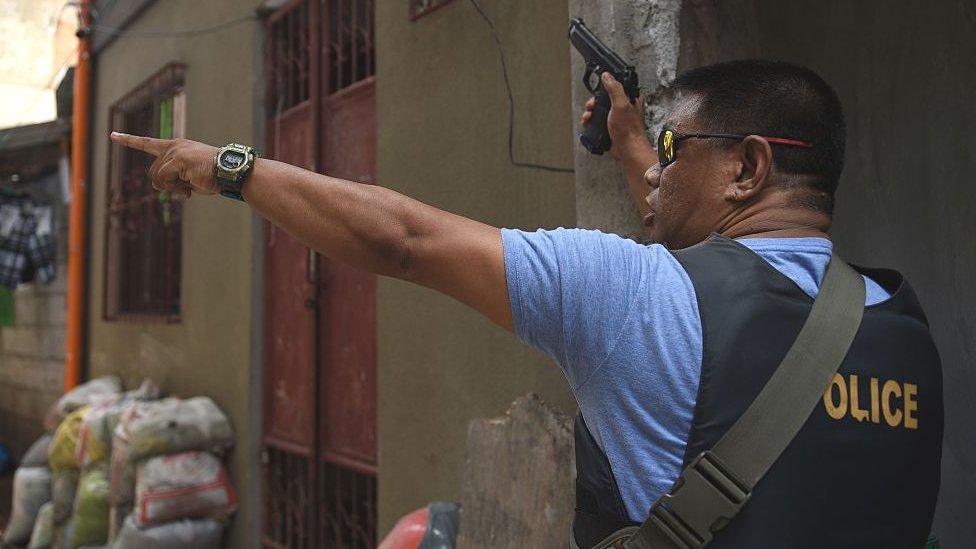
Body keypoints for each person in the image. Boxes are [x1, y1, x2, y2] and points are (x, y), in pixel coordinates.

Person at [112, 59, 942, 548]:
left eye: (669, 149)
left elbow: (404, 238)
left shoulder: (636, 297)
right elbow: (722, 292)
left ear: (748, 169)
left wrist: (227, 167)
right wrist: (633, 144)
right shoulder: (903, 331)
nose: (653, 172)